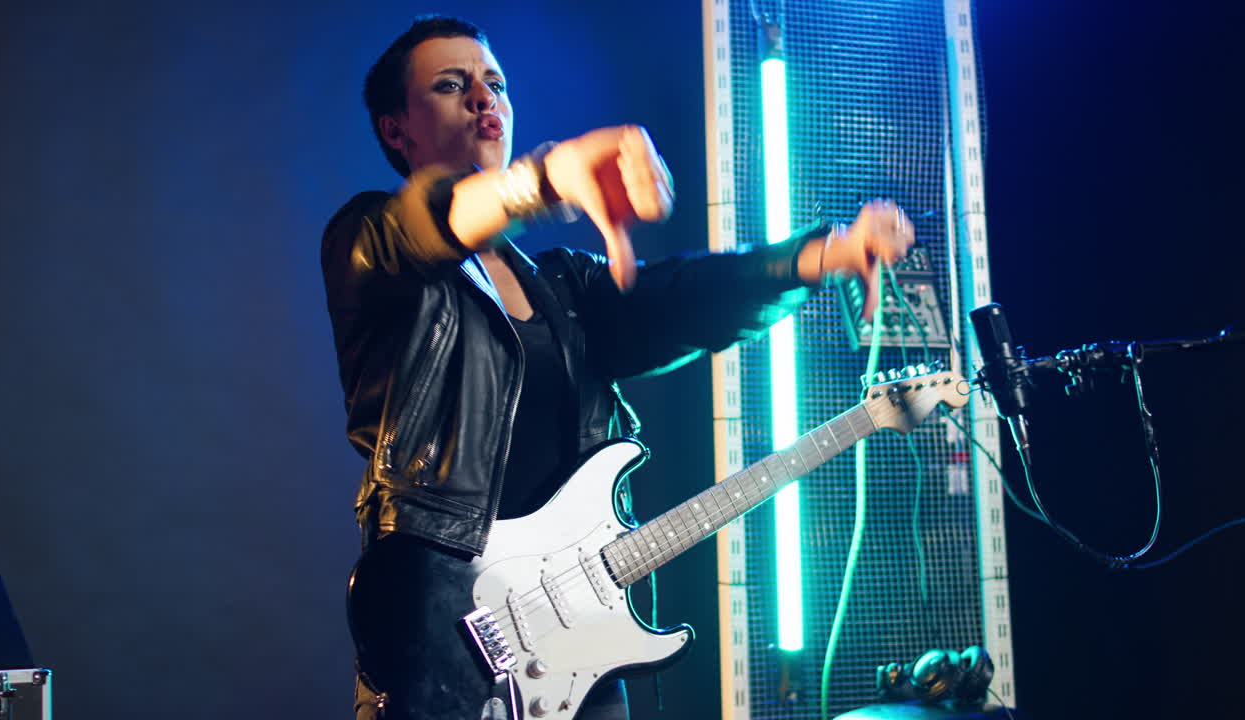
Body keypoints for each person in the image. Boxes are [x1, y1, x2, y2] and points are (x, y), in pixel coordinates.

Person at [320, 14, 914, 720]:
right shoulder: (371, 244)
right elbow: (430, 222)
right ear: (397, 129)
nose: (484, 99)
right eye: (452, 86)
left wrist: (817, 257)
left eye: (495, 83)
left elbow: (681, 299)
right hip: (443, 642)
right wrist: (540, 180)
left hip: (576, 647)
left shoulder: (563, 289)